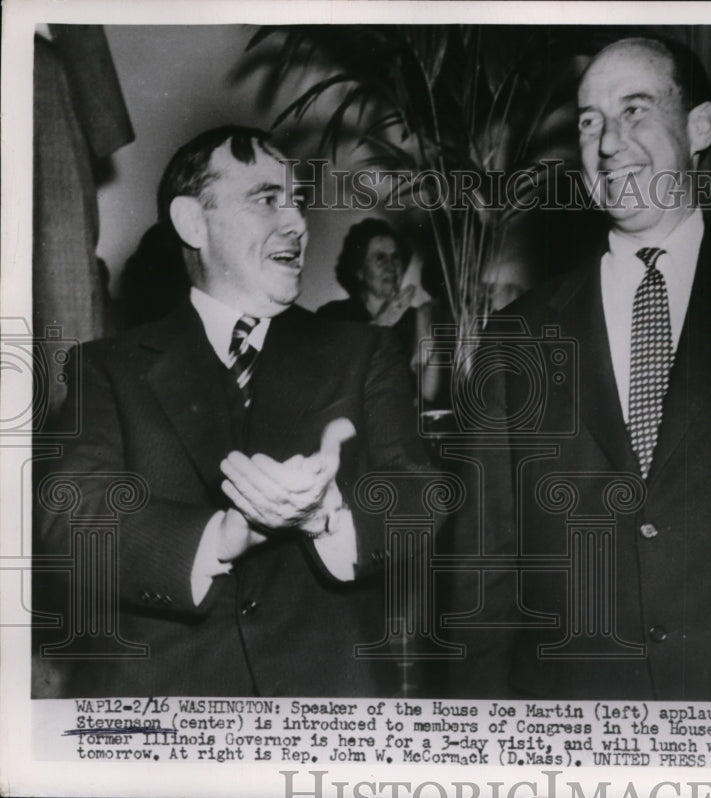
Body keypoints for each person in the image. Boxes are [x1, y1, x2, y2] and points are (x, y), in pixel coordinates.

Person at [35, 126, 431, 697]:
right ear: (194, 223)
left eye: (295, 202)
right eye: (268, 199)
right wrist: (221, 535)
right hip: (170, 713)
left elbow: (420, 496)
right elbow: (67, 518)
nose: (297, 222)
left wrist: (328, 515)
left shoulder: (362, 351)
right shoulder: (108, 368)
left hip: (324, 705)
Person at [449, 37, 711, 701]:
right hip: (574, 721)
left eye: (635, 111)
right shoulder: (518, 335)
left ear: (700, 126)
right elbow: (484, 579)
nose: (609, 142)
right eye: (590, 121)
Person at [317, 218, 439, 402]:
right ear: (359, 271)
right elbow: (330, 381)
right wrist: (380, 324)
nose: (391, 265)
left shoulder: (416, 318)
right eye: (380, 258)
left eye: (396, 256)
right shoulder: (333, 315)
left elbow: (426, 394)